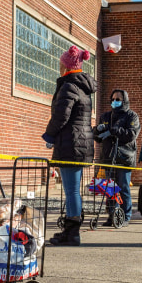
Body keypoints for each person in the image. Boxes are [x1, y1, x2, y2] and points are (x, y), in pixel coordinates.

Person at [42, 45, 96, 246]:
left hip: (71, 143)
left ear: (66, 66)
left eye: (60, 64)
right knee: (73, 190)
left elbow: (61, 115)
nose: (59, 68)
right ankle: (71, 229)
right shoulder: (83, 87)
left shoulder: (68, 86)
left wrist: (49, 135)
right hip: (80, 143)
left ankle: (72, 233)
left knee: (71, 190)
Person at [93, 89, 140, 226]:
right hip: (108, 157)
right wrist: (98, 130)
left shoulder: (132, 116)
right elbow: (98, 138)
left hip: (124, 158)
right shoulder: (106, 116)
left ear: (124, 100)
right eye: (113, 99)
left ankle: (125, 216)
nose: (115, 101)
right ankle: (112, 215)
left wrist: (113, 130)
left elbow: (131, 135)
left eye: (118, 99)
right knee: (110, 189)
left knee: (123, 188)